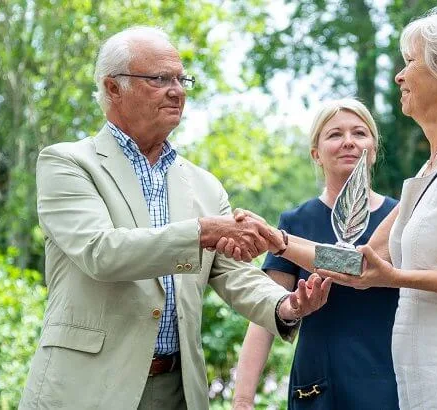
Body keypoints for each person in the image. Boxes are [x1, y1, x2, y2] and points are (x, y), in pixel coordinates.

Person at [225, 5, 437, 409]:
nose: (399, 75)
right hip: (422, 391)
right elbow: (357, 264)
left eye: (410, 62)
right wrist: (276, 241)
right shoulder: (431, 168)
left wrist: (398, 278)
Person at [19, 26, 331, 410]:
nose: (177, 90)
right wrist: (202, 231)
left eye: (181, 79)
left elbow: (232, 272)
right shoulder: (67, 162)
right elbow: (100, 252)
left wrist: (285, 305)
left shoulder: (204, 184)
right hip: (86, 389)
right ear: (113, 88)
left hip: (178, 390)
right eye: (160, 79)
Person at [231, 99, 400, 410]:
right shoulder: (296, 221)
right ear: (316, 154)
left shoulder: (400, 217)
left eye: (359, 133)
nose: (348, 141)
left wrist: (281, 242)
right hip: (320, 385)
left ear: (374, 150)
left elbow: (357, 269)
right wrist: (242, 399)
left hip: (391, 380)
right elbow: (264, 314)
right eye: (335, 134)